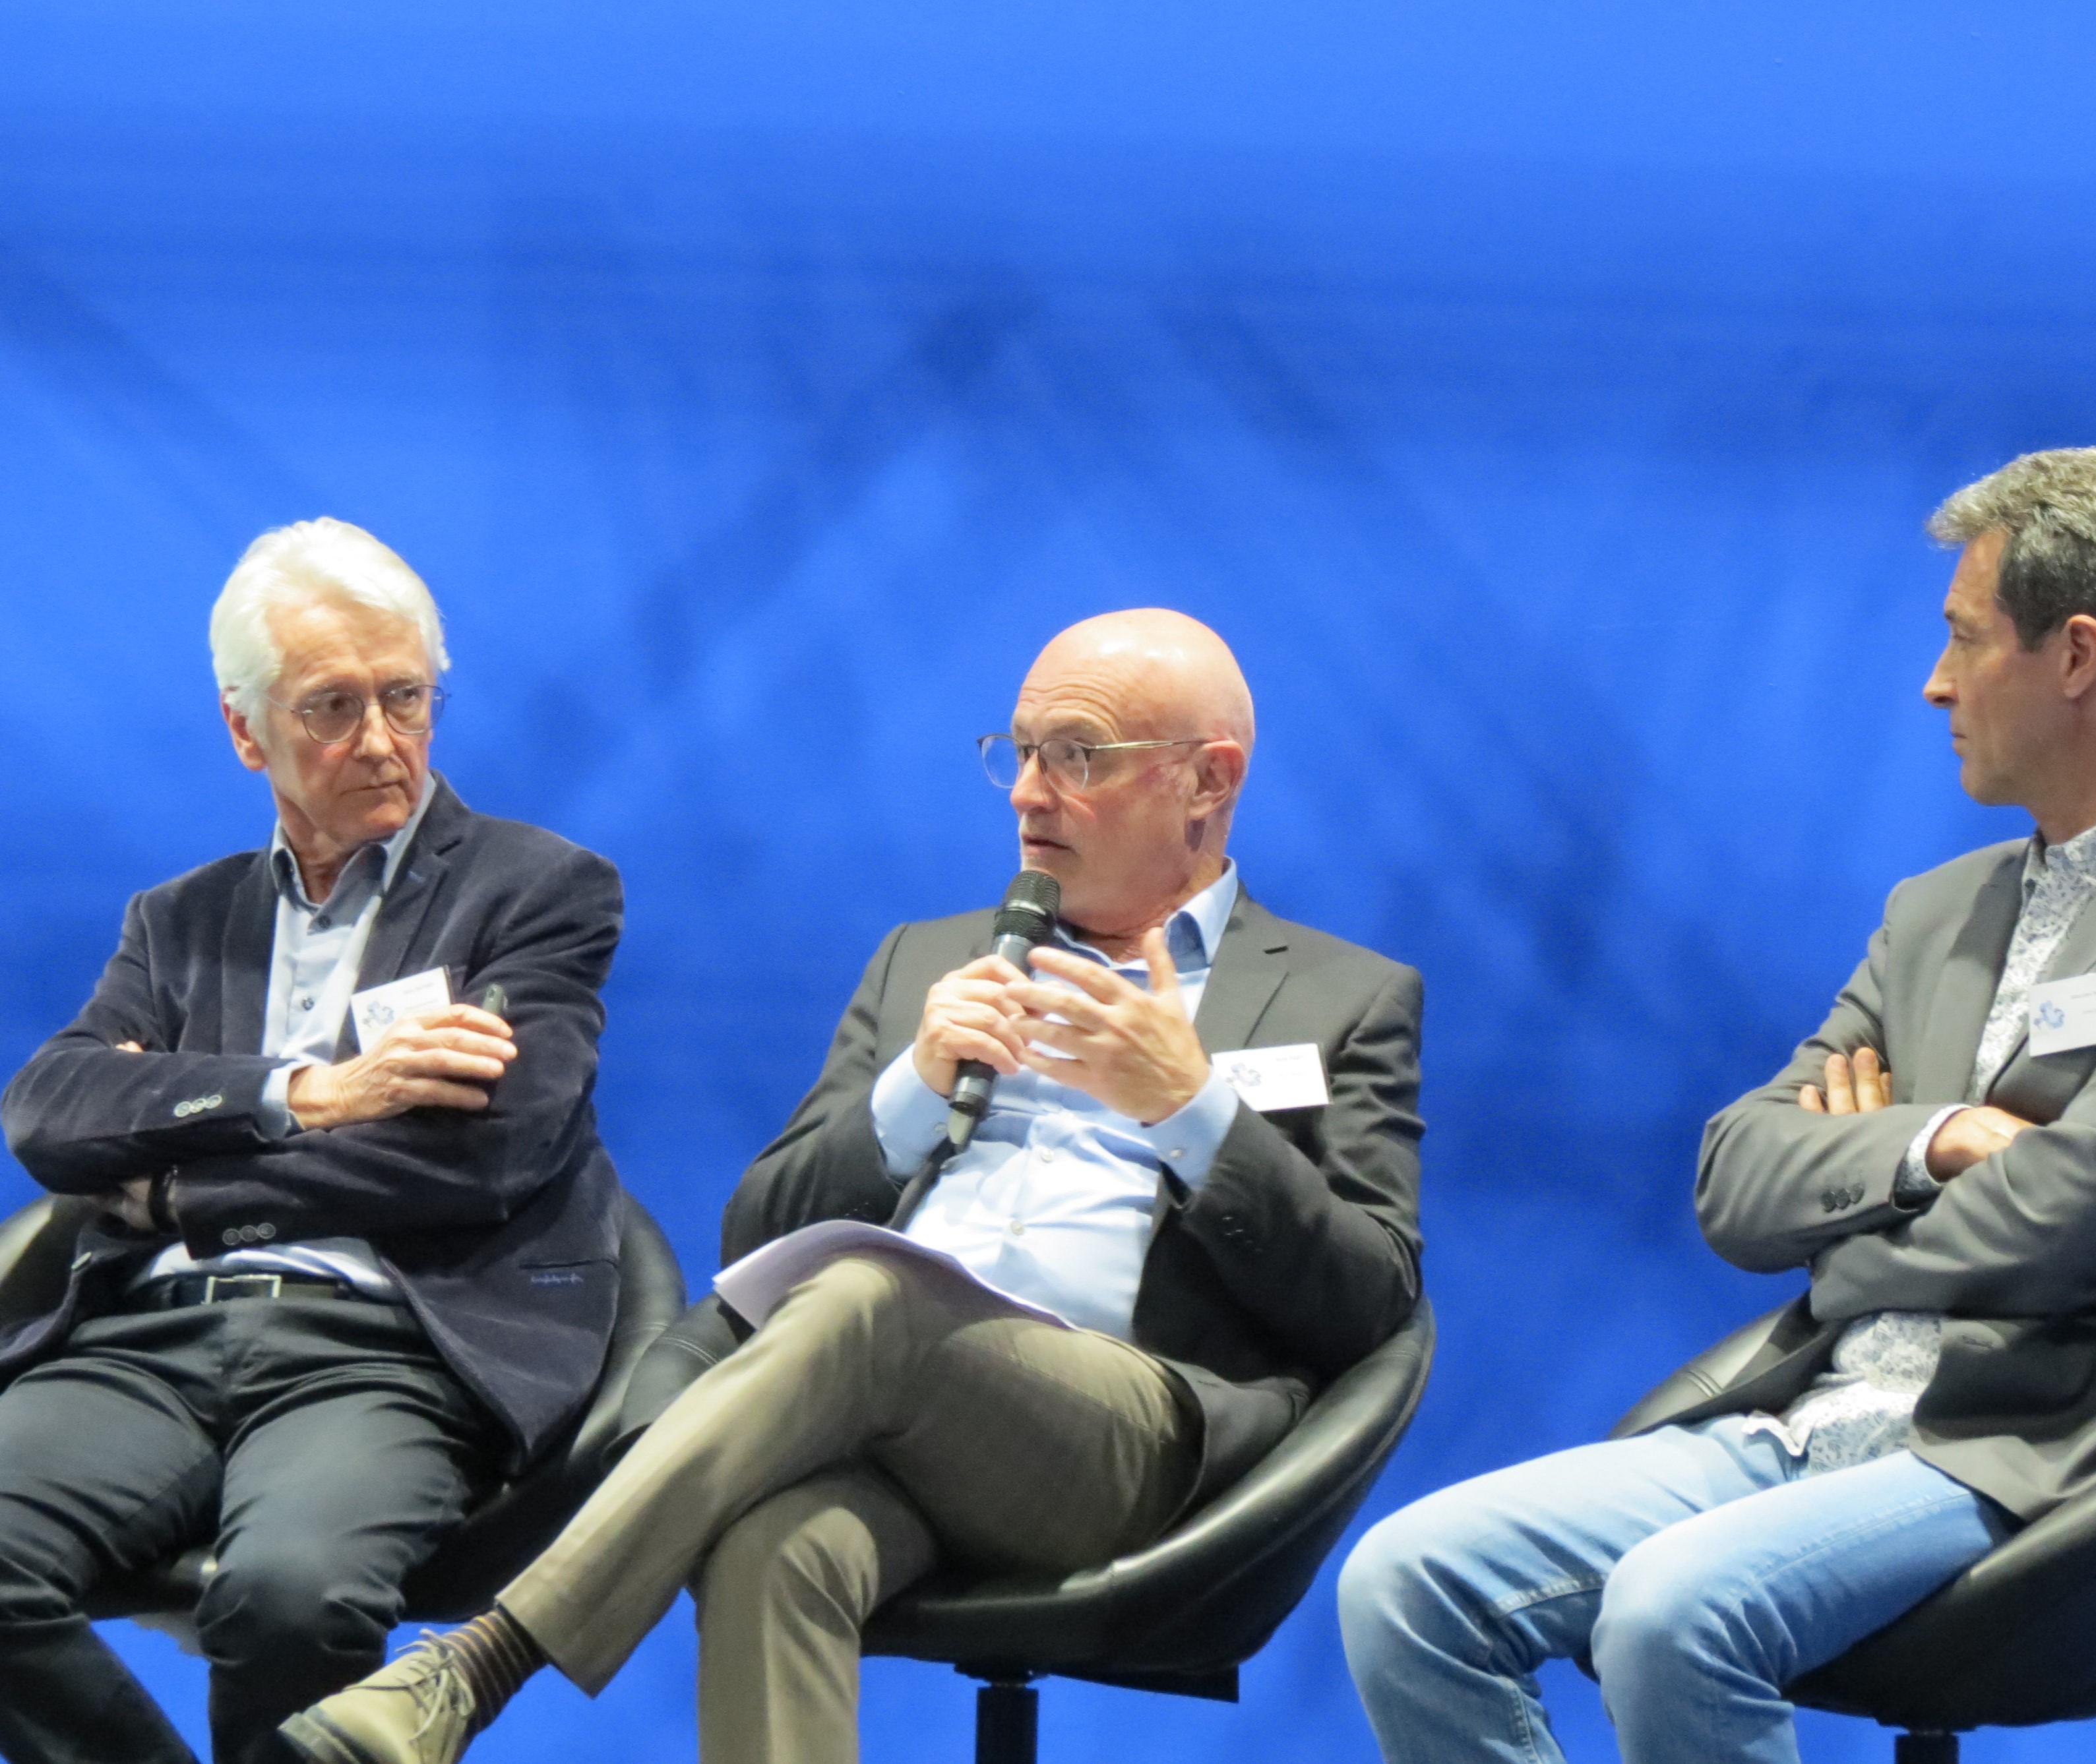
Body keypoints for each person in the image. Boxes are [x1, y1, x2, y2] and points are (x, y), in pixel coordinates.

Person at [284, 607, 1426, 1764]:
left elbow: (1370, 1300)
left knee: (873, 1298)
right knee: (777, 1542)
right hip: (866, 1409)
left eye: (1077, 757)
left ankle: (477, 1668)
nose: (1029, 794)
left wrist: (1194, 1110)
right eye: (1018, 752)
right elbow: (759, 1233)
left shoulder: (1345, 998)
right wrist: (913, 1090)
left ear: (1207, 781)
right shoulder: (927, 960)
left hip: (1121, 1438)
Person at [1338, 448, 2096, 1763]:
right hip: (1813, 1415)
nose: (1932, 682)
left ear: (2076, 655)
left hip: (2034, 1449)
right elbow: (1733, 1179)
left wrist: (1852, 1224)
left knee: (1668, 1614)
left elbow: (2065, 1221)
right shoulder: (1931, 913)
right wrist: (1933, 1139)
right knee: (1403, 1582)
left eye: (1964, 639)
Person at [0, 518, 626, 1764]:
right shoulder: (177, 922)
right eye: (336, 707)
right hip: (145, 1344)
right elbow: (51, 1111)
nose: (384, 742)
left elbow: (483, 1155)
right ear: (249, 732)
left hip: (385, 1343)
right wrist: (313, 1094)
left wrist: (179, 1188)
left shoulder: (537, 890)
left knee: (290, 1599)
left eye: (407, 696)